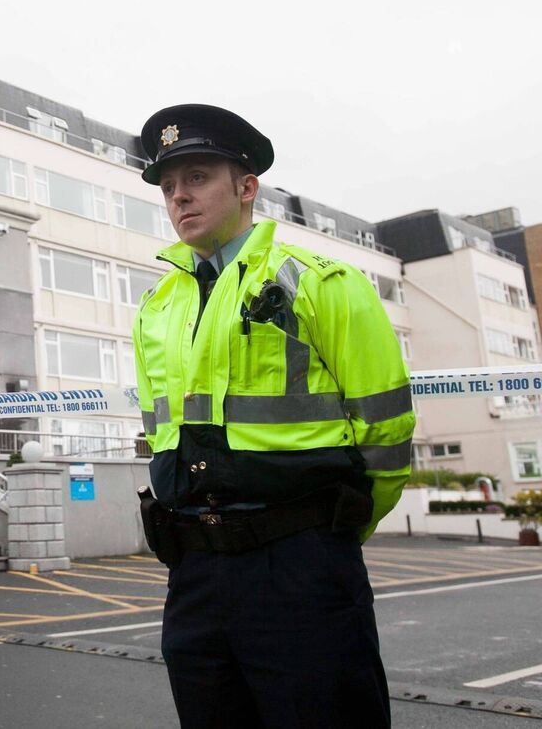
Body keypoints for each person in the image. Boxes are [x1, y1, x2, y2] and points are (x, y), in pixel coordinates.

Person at [130, 104, 415, 728]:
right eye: (168, 186)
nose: (179, 197)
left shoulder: (321, 282)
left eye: (197, 177)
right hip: (195, 572)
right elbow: (161, 432)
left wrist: (336, 531)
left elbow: (386, 431)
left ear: (246, 187)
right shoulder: (156, 306)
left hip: (300, 565)